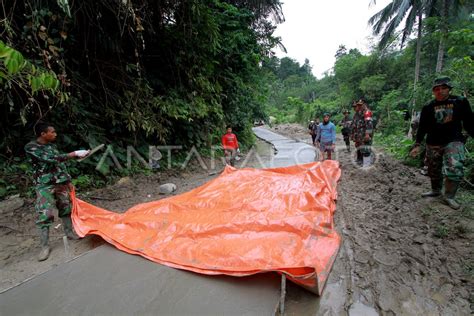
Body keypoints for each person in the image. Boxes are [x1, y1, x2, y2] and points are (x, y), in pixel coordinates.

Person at [24, 122, 90, 261]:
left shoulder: (51, 146)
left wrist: (68, 181)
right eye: (52, 132)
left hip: (60, 183)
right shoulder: (31, 147)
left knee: (66, 208)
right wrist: (73, 154)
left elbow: (59, 164)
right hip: (44, 185)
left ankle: (69, 233)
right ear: (43, 134)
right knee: (45, 214)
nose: (55, 134)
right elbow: (50, 159)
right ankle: (44, 246)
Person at [410, 77, 473, 209]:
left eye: (443, 88)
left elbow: (469, 122)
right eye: (437, 89)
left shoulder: (460, 102)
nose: (440, 91)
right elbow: (422, 127)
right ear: (433, 91)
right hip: (433, 141)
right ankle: (436, 190)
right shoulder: (428, 107)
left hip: (454, 140)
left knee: (454, 166)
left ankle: (449, 196)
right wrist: (417, 144)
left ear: (449, 89)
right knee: (433, 168)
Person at [351, 98, 374, 167]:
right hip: (360, 134)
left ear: (364, 104)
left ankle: (367, 164)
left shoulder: (367, 112)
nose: (359, 106)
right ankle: (362, 161)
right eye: (358, 105)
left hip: (365, 134)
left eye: (361, 105)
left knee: (366, 148)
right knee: (361, 148)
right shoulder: (360, 113)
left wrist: (367, 134)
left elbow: (369, 124)